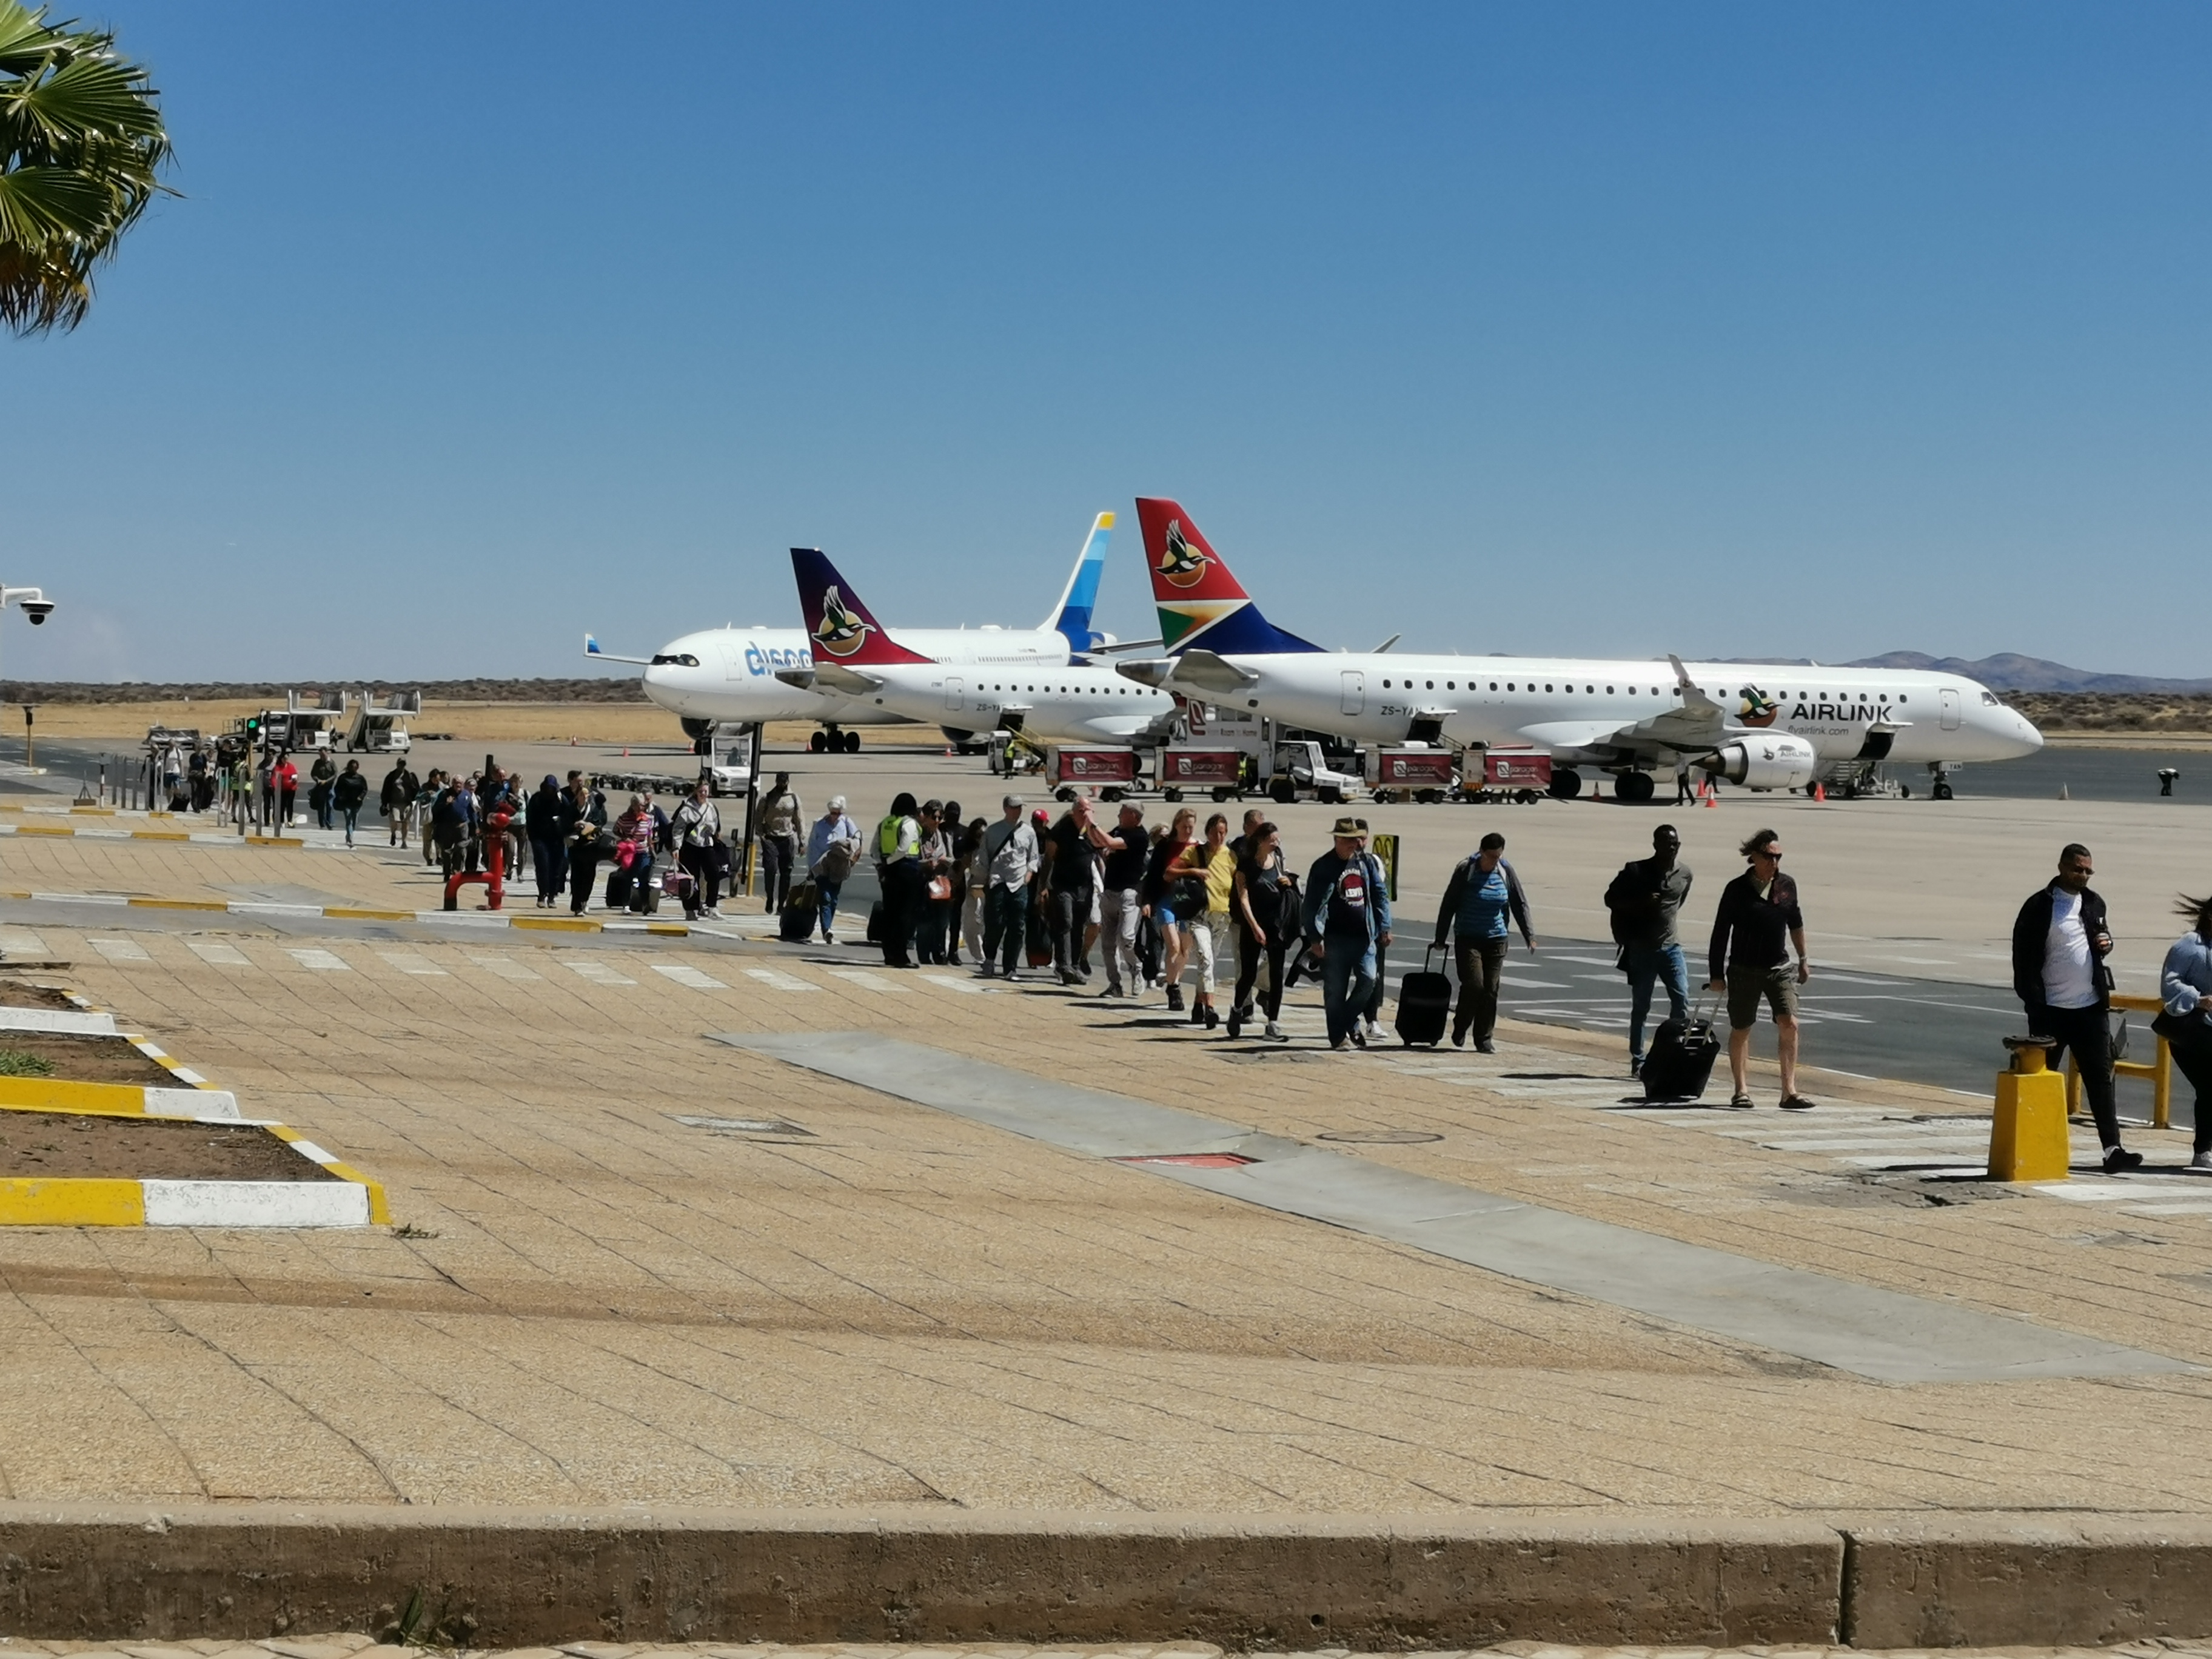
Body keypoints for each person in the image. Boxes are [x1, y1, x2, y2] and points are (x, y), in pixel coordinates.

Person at [2013, 843, 2137, 1171]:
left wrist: (2106, 944)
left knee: (2100, 1079)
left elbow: (2100, 938)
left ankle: (2113, 1150)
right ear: (2061, 867)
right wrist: (2033, 1002)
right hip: (2050, 1010)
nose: (2083, 875)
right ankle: (2032, 1147)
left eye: (2088, 871)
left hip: (2089, 1008)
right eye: (2077, 869)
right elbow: (2022, 958)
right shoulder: (2039, 906)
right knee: (2042, 1080)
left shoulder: (2094, 902)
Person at [1708, 828, 1814, 1111]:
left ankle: (1789, 1092)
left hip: (1779, 968)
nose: (1774, 862)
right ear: (1754, 856)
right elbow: (1721, 932)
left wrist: (1803, 958)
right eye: (1768, 857)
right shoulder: (1736, 889)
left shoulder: (1786, 885)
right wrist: (1716, 974)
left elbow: (1796, 923)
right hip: (1743, 969)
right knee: (1742, 1027)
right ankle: (1741, 1090)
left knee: (1790, 1023)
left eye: (1778, 857)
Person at [1606, 823, 1694, 1076]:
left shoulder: (1685, 874)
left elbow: (1677, 904)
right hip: (1642, 949)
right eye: (1666, 844)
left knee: (1682, 1000)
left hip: (1672, 948)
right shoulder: (1636, 871)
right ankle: (1638, 1059)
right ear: (1655, 845)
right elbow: (1610, 899)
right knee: (1641, 1007)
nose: (1671, 848)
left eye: (1674, 844)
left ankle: (1674, 1052)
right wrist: (1640, 903)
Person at [1436, 831, 1536, 1053]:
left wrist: (1529, 935)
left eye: (1498, 856)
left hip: (1497, 939)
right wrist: (1440, 937)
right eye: (1490, 856)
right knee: (1474, 985)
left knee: (1491, 989)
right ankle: (1461, 1025)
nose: (1494, 861)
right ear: (1481, 851)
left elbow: (1519, 902)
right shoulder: (1466, 869)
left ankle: (1483, 1038)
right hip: (1468, 937)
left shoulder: (1505, 870)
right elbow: (1449, 903)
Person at [1301, 817, 1392, 1050]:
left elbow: (1380, 894)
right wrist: (1315, 937)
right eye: (1349, 840)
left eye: (1356, 839)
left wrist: (1385, 925)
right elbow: (1310, 905)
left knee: (1369, 980)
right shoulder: (1323, 866)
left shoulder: (1365, 862)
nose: (1355, 844)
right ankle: (1338, 1037)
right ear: (1337, 839)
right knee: (1335, 991)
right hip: (1335, 940)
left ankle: (1347, 1019)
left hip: (1364, 937)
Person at [2159, 893, 2212, 1173]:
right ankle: (2203, 1150)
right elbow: (2170, 981)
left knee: (2208, 1089)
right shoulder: (2191, 944)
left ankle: (2203, 1151)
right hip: (2192, 1031)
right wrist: (2197, 998)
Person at [1167, 813, 1235, 1026]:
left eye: (1222, 833)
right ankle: (1210, 1008)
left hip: (1222, 917)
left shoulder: (1231, 856)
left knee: (1208, 964)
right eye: (1215, 833)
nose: (1219, 837)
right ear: (1207, 833)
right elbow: (1169, 872)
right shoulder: (1195, 852)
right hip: (1199, 916)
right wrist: (1193, 870)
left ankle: (1198, 1005)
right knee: (1206, 959)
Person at [1230, 820, 1292, 1041]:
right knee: (1249, 974)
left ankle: (1272, 1024)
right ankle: (1237, 1009)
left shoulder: (1278, 860)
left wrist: (1287, 883)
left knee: (1277, 974)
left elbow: (1283, 887)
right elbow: (1243, 899)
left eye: (1277, 839)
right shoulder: (1246, 866)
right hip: (1253, 925)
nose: (1276, 844)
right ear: (1260, 841)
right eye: (1272, 840)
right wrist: (1255, 926)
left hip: (1276, 924)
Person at [1044, 795, 1112, 986]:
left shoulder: (1092, 830)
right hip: (1063, 885)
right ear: (1074, 812)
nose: (1084, 815)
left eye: (1088, 811)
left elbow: (1102, 846)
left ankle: (1074, 965)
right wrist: (1043, 887)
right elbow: (1049, 857)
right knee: (1065, 922)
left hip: (1085, 887)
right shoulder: (1061, 830)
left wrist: (1091, 825)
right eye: (1081, 811)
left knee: (1078, 927)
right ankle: (1063, 965)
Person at [1145, 806, 1201, 1011]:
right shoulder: (1165, 846)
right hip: (1166, 900)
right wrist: (1147, 901)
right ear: (1176, 825)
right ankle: (1175, 989)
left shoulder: (1198, 847)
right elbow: (1153, 874)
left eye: (1191, 827)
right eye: (1184, 826)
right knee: (1174, 946)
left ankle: (1172, 980)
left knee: (1186, 949)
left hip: (1188, 902)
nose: (1188, 830)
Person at [979, 794, 1041, 979]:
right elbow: (984, 856)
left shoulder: (1028, 832)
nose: (1018, 811)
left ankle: (1010, 967)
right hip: (998, 881)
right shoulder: (993, 831)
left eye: (1020, 807)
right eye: (1014, 807)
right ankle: (990, 959)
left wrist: (1028, 875)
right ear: (1006, 808)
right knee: (995, 923)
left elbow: (1034, 857)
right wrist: (985, 878)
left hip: (1019, 883)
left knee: (1017, 926)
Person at [1096, 802, 1148, 999]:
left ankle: (1137, 968)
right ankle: (1115, 984)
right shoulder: (1120, 830)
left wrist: (1093, 823)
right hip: (1110, 892)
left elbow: (1109, 842)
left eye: (1122, 813)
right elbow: (1099, 842)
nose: (1119, 815)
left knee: (1126, 938)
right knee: (1108, 945)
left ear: (1133, 816)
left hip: (1129, 894)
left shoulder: (1139, 836)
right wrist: (1090, 828)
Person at [875, 791, 925, 968]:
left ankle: (889, 954)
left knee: (890, 913)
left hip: (888, 872)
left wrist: (883, 864)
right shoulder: (908, 823)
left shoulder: (885, 823)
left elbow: (874, 848)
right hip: (906, 870)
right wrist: (891, 861)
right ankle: (901, 956)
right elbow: (904, 848)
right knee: (905, 915)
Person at [806, 796, 863, 943]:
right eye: (833, 813)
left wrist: (851, 852)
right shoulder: (820, 825)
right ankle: (827, 930)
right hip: (821, 865)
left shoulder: (847, 822)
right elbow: (812, 846)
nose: (835, 816)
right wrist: (811, 867)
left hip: (838, 866)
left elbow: (857, 839)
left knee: (834, 898)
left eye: (838, 813)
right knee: (825, 897)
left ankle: (828, 925)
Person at [671, 780, 724, 920]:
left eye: (706, 791)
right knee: (690, 879)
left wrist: (712, 830)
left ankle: (712, 906)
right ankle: (690, 910)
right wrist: (676, 847)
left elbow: (716, 827)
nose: (704, 794)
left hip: (707, 845)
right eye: (701, 791)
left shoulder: (711, 808)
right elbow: (678, 829)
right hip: (690, 846)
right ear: (696, 792)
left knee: (714, 874)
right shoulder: (687, 808)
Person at [756, 772, 803, 915]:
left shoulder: (793, 798)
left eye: (784, 782)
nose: (782, 785)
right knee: (770, 870)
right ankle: (770, 898)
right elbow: (758, 816)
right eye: (779, 782)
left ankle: (782, 904)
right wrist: (761, 835)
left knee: (786, 873)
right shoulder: (768, 798)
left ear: (788, 782)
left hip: (787, 838)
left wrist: (802, 840)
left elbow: (799, 819)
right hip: (770, 838)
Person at [562, 776, 609, 915]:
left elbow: (601, 822)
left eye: (585, 795)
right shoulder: (571, 809)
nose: (583, 797)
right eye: (581, 795)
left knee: (589, 875)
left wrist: (590, 826)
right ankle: (577, 905)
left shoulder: (594, 809)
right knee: (577, 876)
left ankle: (584, 900)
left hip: (591, 846)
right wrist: (574, 826)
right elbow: (564, 825)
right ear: (577, 796)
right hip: (576, 846)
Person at [916, 800, 954, 964]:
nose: (937, 821)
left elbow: (952, 859)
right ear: (925, 817)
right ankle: (924, 955)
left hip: (941, 885)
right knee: (924, 923)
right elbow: (912, 860)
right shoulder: (917, 837)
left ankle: (939, 953)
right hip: (923, 884)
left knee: (942, 923)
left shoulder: (945, 837)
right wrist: (926, 863)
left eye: (940, 818)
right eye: (934, 817)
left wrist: (945, 861)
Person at [524, 776, 567, 908]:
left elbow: (569, 815)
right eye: (547, 788)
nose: (549, 791)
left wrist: (562, 826)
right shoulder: (536, 799)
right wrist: (532, 837)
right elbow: (530, 818)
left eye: (551, 788)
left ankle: (552, 896)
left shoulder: (561, 800)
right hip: (540, 839)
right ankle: (542, 894)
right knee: (543, 867)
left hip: (556, 839)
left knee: (556, 869)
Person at [380, 757, 419, 847]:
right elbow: (385, 790)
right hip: (394, 803)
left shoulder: (410, 776)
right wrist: (384, 803)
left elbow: (416, 789)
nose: (402, 766)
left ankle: (404, 842)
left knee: (406, 822)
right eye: (400, 764)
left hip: (407, 804)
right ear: (397, 764)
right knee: (395, 820)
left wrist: (415, 800)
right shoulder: (391, 776)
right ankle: (393, 833)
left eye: (403, 764)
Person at [332, 759, 369, 846]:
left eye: (355, 767)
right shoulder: (343, 778)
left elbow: (365, 789)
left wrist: (361, 797)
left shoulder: (360, 778)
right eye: (352, 767)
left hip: (357, 803)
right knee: (349, 819)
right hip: (346, 802)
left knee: (354, 820)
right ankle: (350, 837)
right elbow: (337, 788)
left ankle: (350, 833)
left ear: (357, 768)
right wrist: (340, 797)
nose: (353, 769)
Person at [309, 751, 337, 830]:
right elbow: (313, 774)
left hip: (329, 786)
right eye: (321, 755)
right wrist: (318, 780)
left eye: (324, 755)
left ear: (327, 754)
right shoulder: (318, 763)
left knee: (330, 805)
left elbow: (335, 774)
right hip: (320, 787)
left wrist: (327, 781)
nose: (322, 757)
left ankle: (330, 823)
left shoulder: (331, 762)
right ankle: (322, 824)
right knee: (321, 805)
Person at [273, 751, 299, 828]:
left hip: (291, 789)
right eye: (284, 758)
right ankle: (281, 822)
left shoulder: (291, 766)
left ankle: (290, 821)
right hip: (282, 789)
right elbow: (275, 778)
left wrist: (294, 780)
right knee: (282, 806)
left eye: (287, 758)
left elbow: (295, 775)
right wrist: (275, 787)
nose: (285, 760)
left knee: (290, 806)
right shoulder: (278, 767)